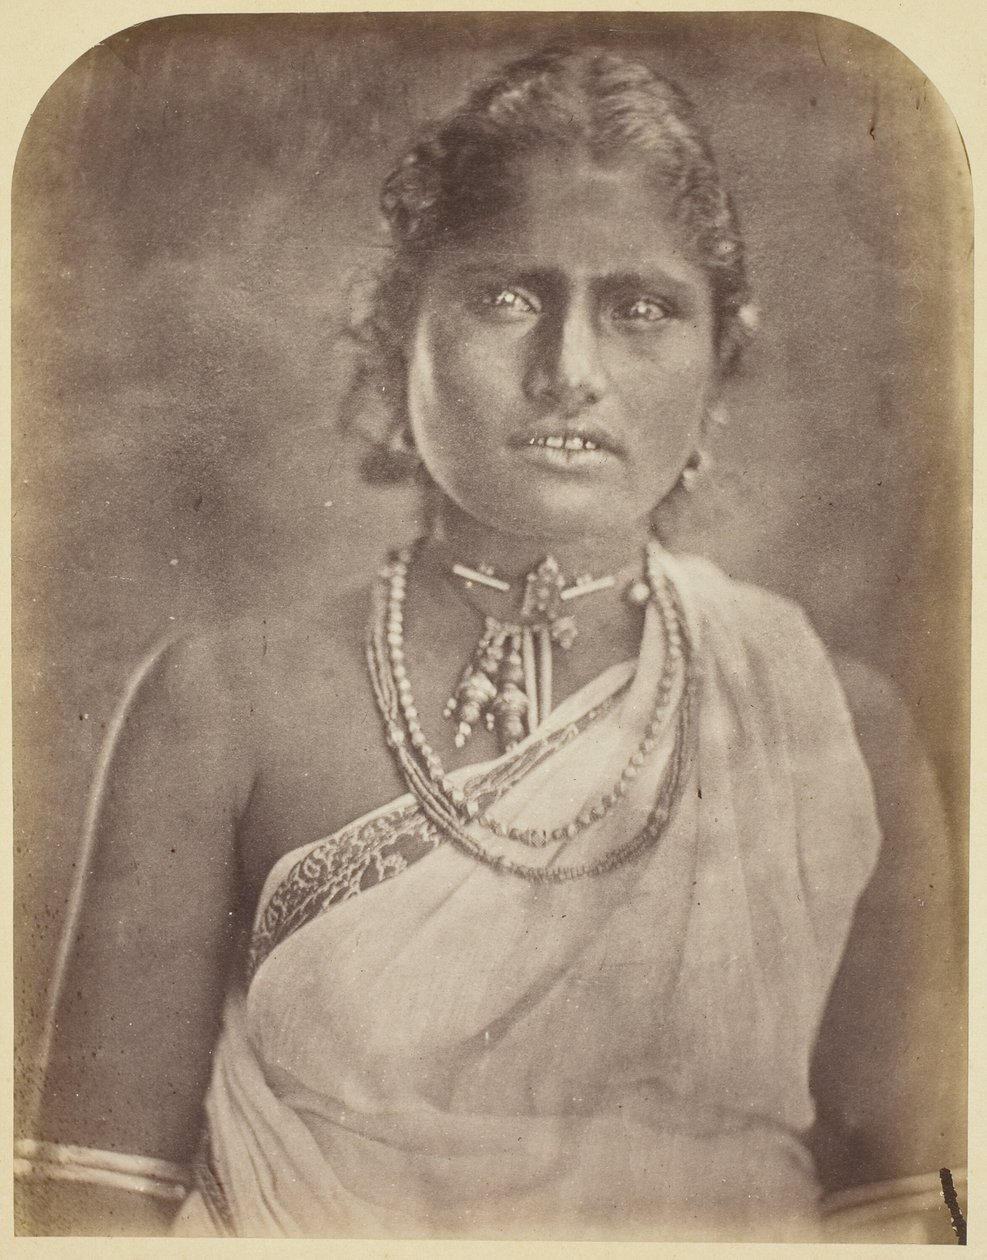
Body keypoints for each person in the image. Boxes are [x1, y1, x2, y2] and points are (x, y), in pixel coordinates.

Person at [16, 44, 965, 1242]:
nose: (568, 373)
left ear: (719, 363)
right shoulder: (222, 704)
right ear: (398, 331)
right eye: (507, 297)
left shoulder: (843, 728)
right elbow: (85, 1207)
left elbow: (907, 1214)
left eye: (640, 309)